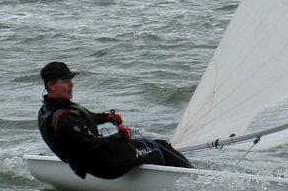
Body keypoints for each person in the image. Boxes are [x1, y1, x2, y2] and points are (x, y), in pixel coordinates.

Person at [37, 61, 192, 180]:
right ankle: (195, 178)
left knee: (150, 149)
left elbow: (85, 121)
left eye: (70, 79)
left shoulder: (50, 109)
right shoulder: (62, 117)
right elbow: (91, 145)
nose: (71, 84)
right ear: (50, 85)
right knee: (159, 147)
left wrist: (106, 118)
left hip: (95, 163)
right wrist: (120, 136)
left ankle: (165, 179)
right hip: (106, 164)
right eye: (65, 81)